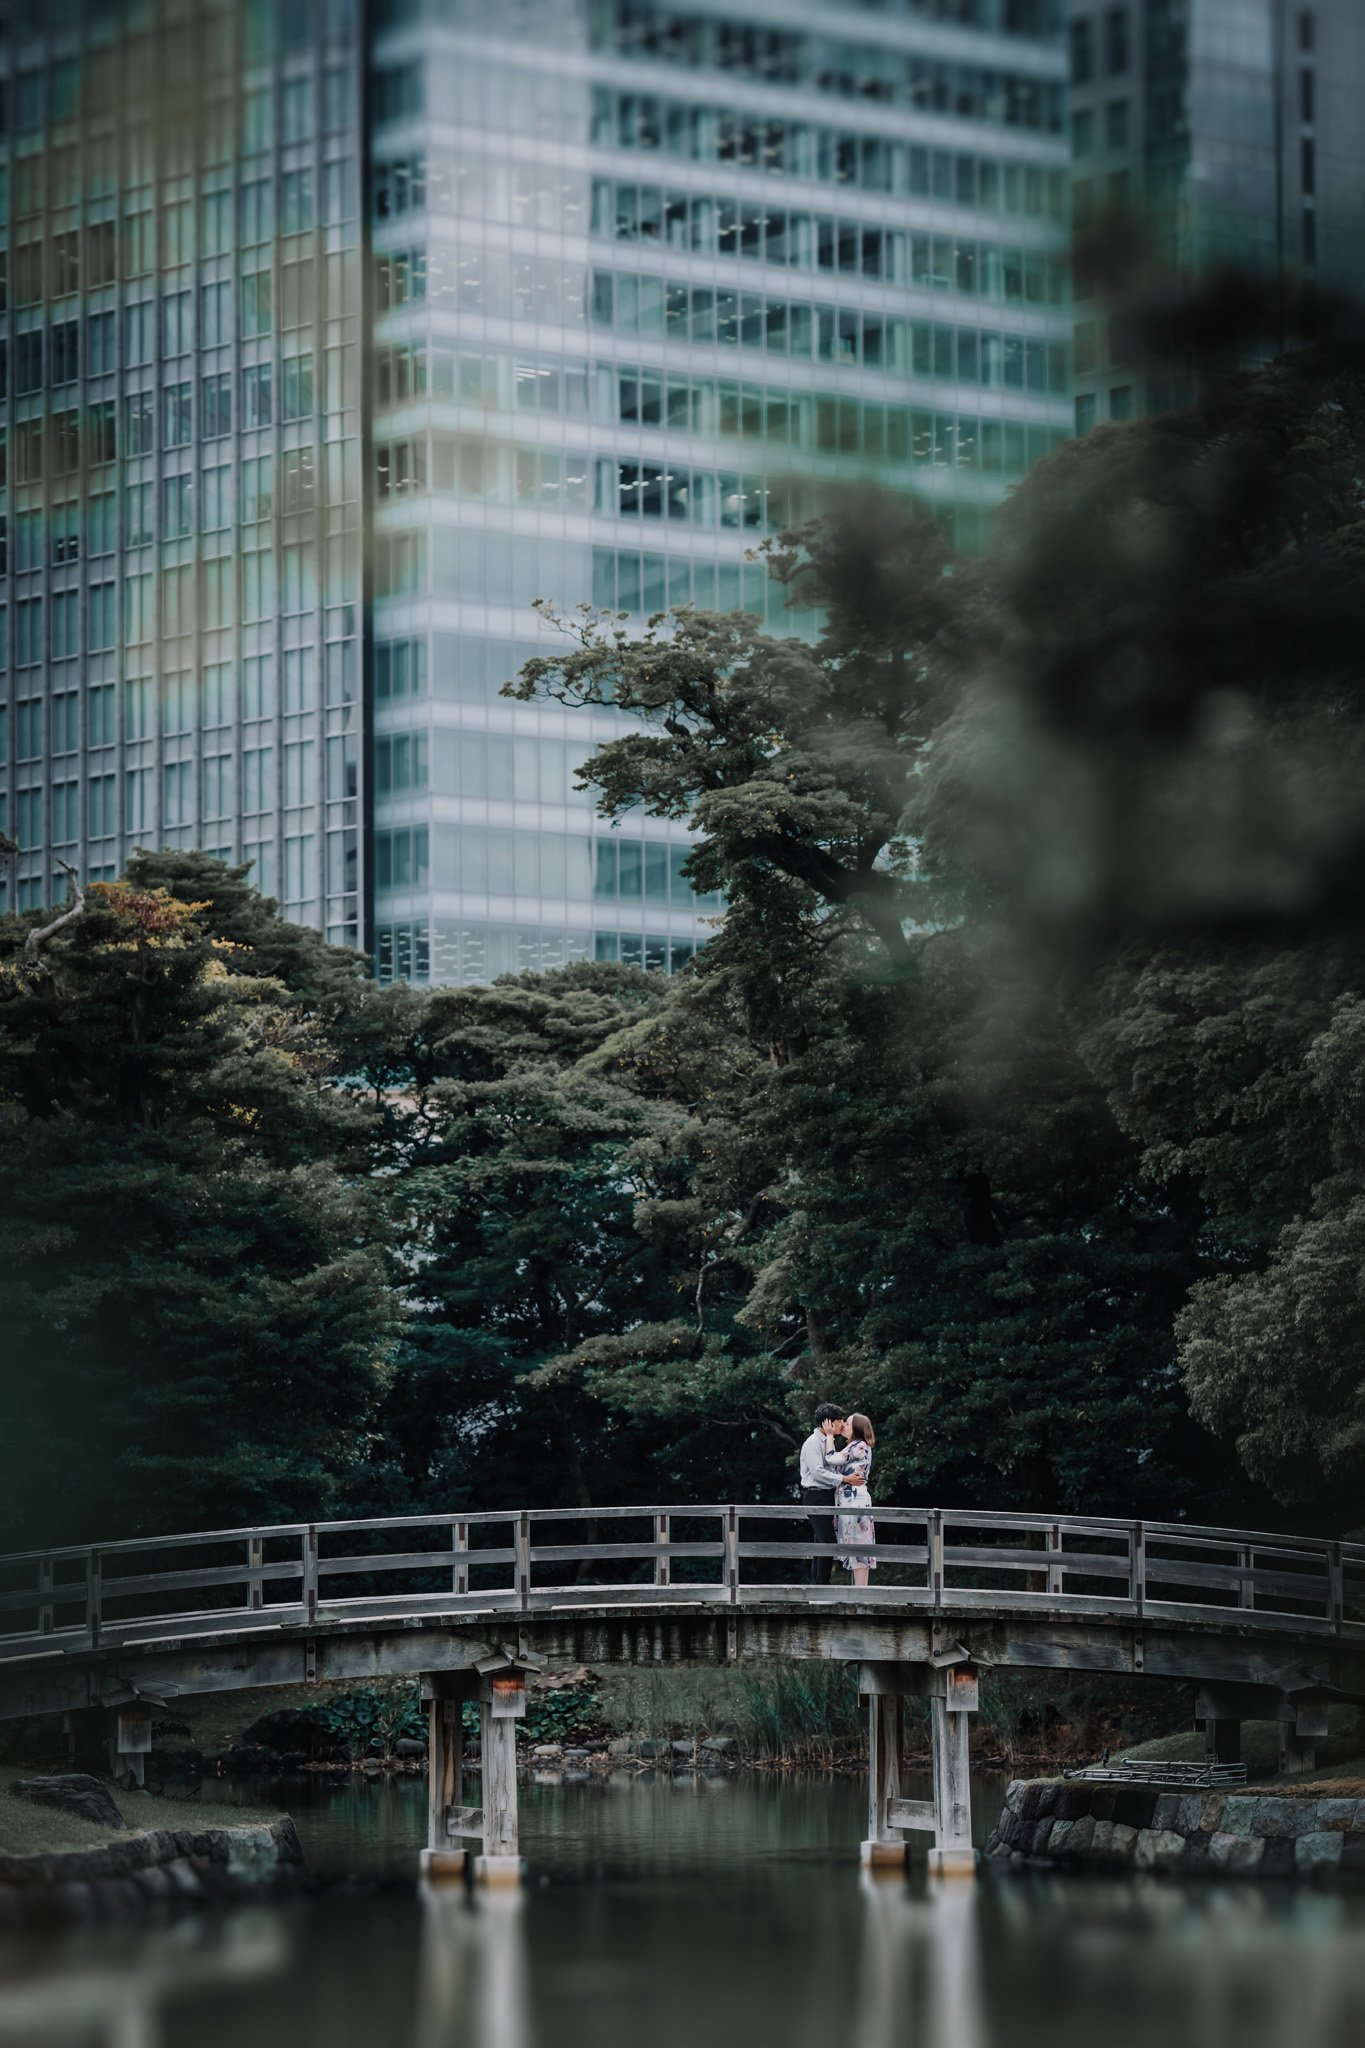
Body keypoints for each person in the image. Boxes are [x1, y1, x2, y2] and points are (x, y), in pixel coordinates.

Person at [799, 1403, 849, 1586]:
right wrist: (844, 1479)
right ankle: (822, 1584)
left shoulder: (827, 1441)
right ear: (828, 1422)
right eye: (839, 1420)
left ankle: (817, 1584)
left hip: (826, 1495)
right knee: (827, 1542)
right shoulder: (813, 1443)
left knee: (821, 1542)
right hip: (815, 1495)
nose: (842, 1424)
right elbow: (818, 1472)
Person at [837, 1414, 877, 1589]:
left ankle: (862, 1591)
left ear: (857, 1428)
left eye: (847, 1423)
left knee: (859, 1544)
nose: (843, 1425)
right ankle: (859, 1590)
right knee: (853, 1544)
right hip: (850, 1500)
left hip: (855, 1500)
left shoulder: (859, 1446)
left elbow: (832, 1458)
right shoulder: (854, 1446)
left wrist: (830, 1436)